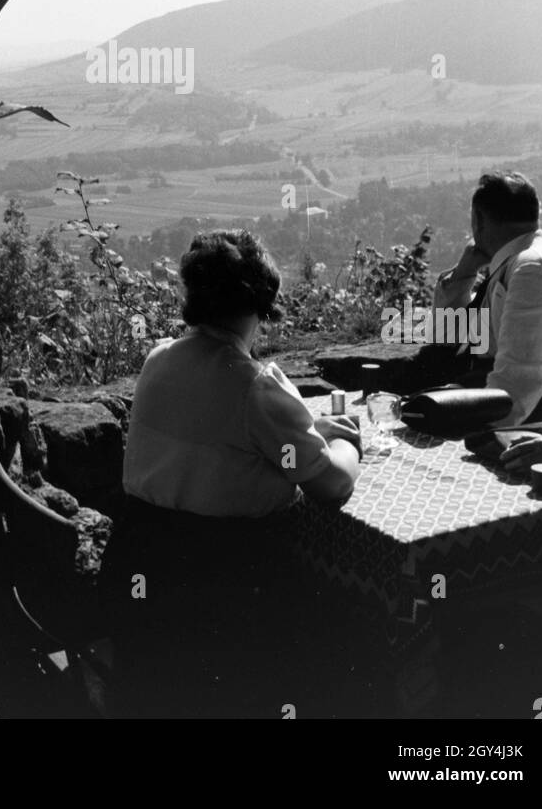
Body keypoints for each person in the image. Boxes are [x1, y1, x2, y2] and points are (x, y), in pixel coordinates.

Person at [99, 229, 363, 718]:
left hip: (146, 574)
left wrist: (307, 427)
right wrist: (347, 444)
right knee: (350, 617)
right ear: (264, 303)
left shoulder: (160, 360)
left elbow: (225, 440)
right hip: (227, 589)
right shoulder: (254, 386)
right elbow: (330, 484)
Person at [433, 172, 542, 426]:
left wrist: (481, 436)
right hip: (536, 409)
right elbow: (449, 337)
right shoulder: (519, 262)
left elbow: (518, 385)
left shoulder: (534, 271)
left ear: (478, 220)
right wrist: (465, 273)